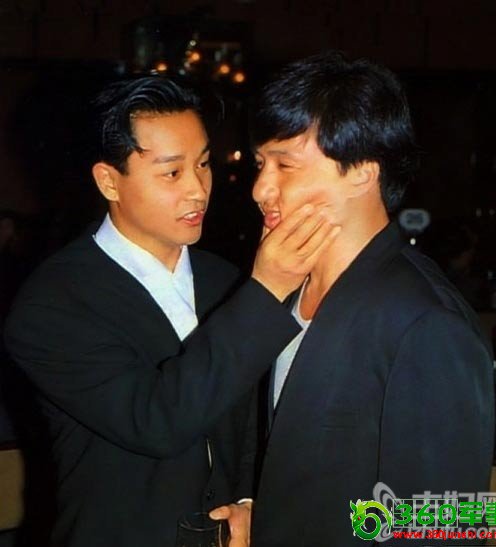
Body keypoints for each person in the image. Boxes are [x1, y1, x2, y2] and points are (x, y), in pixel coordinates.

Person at [3, 76, 340, 547]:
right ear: (109, 181)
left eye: (203, 164)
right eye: (172, 173)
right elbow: (156, 422)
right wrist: (267, 290)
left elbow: (250, 417)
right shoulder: (53, 304)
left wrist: (248, 502)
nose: (198, 190)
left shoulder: (224, 279)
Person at [212, 51, 494, 546]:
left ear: (363, 170)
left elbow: (444, 522)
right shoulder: (285, 286)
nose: (260, 188)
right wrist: (259, 510)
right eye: (260, 163)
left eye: (285, 164)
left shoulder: (425, 320)